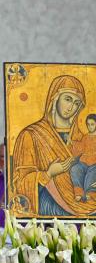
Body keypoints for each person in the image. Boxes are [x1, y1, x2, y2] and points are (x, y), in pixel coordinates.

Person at [12, 75, 96, 215]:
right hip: (48, 212)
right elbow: (20, 183)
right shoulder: (31, 135)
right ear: (55, 98)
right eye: (68, 99)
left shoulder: (82, 138)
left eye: (76, 103)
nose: (71, 108)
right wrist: (49, 173)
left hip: (86, 212)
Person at [69, 114, 96, 202]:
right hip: (83, 162)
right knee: (75, 169)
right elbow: (80, 148)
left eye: (92, 124)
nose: (90, 126)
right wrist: (72, 142)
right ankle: (79, 193)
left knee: (90, 177)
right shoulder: (86, 137)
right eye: (88, 124)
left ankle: (89, 194)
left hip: (94, 165)